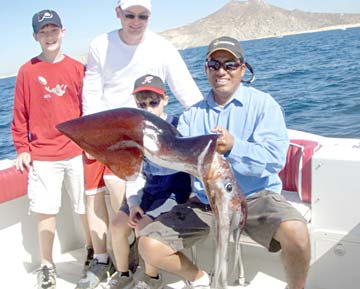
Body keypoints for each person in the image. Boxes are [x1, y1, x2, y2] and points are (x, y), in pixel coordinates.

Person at [136, 36, 311, 289]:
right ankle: (200, 279)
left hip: (255, 197)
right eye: (214, 64)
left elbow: (275, 159)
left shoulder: (264, 105)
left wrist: (234, 146)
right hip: (206, 201)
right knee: (148, 244)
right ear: (206, 69)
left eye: (230, 64)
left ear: (242, 68)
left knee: (297, 234)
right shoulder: (191, 115)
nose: (222, 71)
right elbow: (176, 163)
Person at [76, 0, 203, 288]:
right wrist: (93, 139)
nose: (135, 21)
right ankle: (108, 261)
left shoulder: (163, 47)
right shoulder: (100, 44)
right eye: (129, 14)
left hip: (152, 144)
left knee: (137, 205)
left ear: (150, 16)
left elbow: (189, 94)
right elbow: (92, 92)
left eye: (142, 15)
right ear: (118, 13)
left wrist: (208, 132)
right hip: (114, 141)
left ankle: (147, 269)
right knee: (112, 197)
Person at [11, 9, 92, 289]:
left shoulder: (76, 68)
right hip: (43, 155)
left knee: (85, 207)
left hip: (78, 151)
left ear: (63, 31)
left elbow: (88, 110)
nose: (49, 36)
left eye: (53, 30)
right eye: (43, 32)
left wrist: (91, 144)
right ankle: (47, 264)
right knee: (46, 211)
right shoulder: (26, 71)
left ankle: (93, 253)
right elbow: (20, 114)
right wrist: (22, 147)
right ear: (35, 36)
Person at [107, 74, 192, 289]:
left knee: (142, 227)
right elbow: (135, 174)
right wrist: (134, 203)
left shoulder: (180, 126)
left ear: (165, 100)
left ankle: (152, 278)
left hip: (174, 190)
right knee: (117, 226)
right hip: (148, 188)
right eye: (142, 104)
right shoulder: (136, 133)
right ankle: (123, 272)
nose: (148, 108)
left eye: (153, 102)